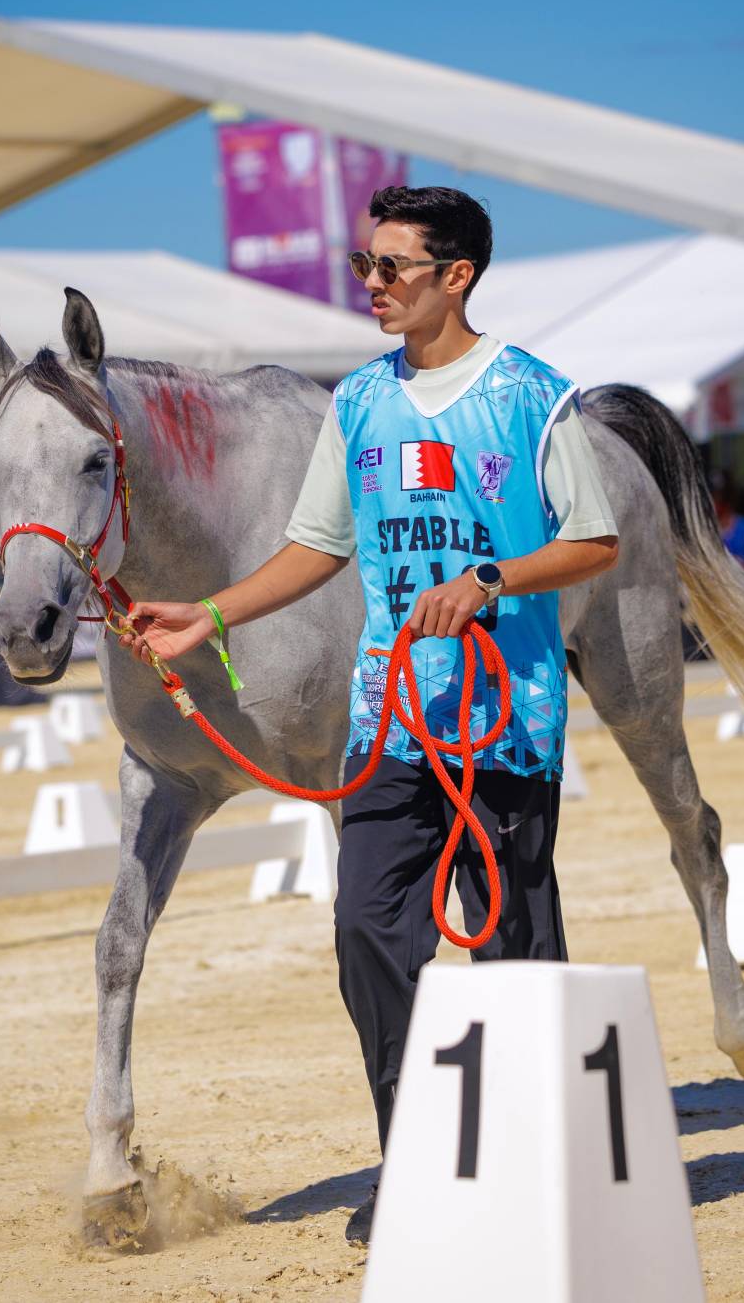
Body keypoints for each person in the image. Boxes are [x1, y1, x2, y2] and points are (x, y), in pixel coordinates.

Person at [119, 186, 619, 1244]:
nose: (375, 286)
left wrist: (489, 582)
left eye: (393, 266)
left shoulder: (537, 397)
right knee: (365, 934)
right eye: (367, 267)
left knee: (518, 951)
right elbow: (317, 547)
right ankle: (419, 1161)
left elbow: (595, 543)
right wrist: (203, 616)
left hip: (507, 724)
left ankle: (543, 1168)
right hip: (390, 725)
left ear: (457, 276)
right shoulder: (358, 402)